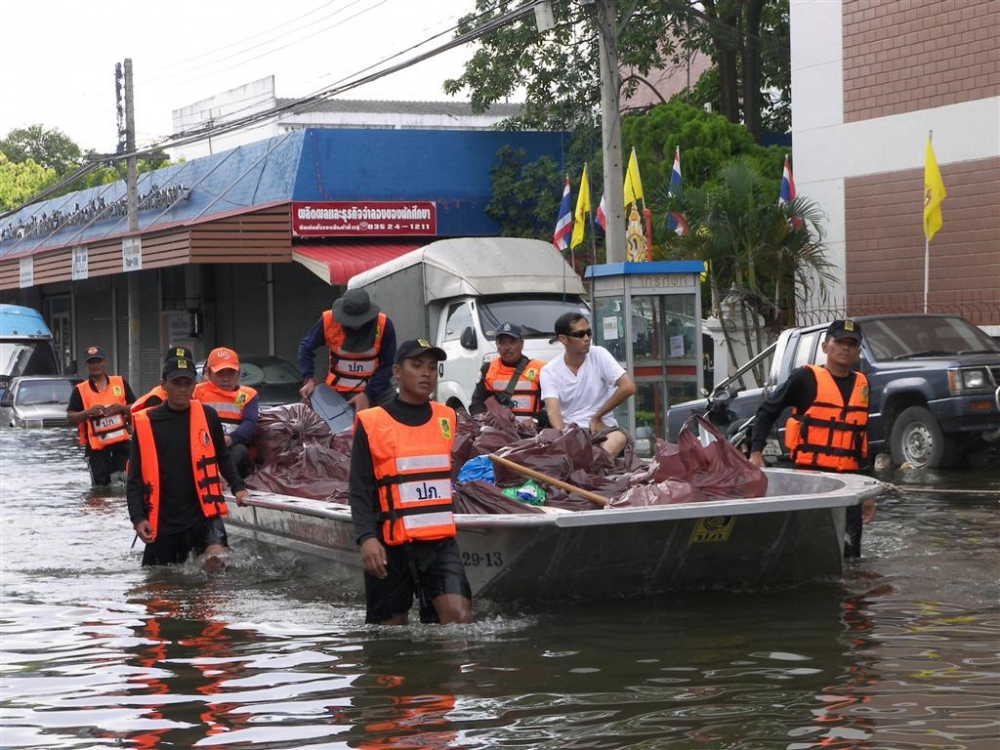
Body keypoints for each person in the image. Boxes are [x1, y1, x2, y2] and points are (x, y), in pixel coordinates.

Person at [348, 338, 473, 626]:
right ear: (397, 372)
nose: (426, 373)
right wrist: (366, 538)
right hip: (388, 542)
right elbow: (359, 488)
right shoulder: (371, 422)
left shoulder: (447, 417)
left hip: (439, 543)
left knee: (459, 619)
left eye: (432, 366)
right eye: (417, 366)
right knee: (390, 636)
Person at [748, 319, 876, 557]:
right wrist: (756, 452)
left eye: (852, 344)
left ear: (858, 351)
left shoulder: (863, 385)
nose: (845, 348)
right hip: (811, 483)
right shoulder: (804, 379)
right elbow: (767, 412)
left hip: (850, 486)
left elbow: (861, 443)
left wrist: (868, 493)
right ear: (825, 346)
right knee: (809, 550)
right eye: (839, 342)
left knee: (850, 556)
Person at [126, 346, 249, 568]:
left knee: (217, 562)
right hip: (164, 520)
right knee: (160, 586)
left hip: (203, 513)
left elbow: (222, 455)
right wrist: (137, 518)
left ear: (195, 385)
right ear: (163, 385)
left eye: (187, 383)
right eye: (176, 383)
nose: (183, 389)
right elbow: (134, 477)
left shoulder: (207, 415)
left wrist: (238, 486)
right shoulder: (146, 423)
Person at [540, 312, 636, 459]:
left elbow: (628, 387)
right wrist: (565, 438)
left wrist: (597, 416)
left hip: (602, 427)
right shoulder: (549, 370)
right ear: (563, 339)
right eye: (580, 334)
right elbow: (554, 414)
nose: (587, 338)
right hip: (572, 431)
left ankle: (592, 468)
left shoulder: (599, 355)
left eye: (589, 333)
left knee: (618, 439)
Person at [298, 288, 397, 411]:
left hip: (376, 388)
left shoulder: (383, 325)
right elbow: (305, 348)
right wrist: (309, 379)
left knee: (400, 413)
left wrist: (367, 393)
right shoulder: (329, 320)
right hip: (337, 392)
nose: (354, 325)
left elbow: (388, 364)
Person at [67, 345, 137, 486]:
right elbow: (70, 418)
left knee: (125, 485)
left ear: (105, 362)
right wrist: (87, 412)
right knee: (100, 489)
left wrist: (122, 408)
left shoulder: (120, 382)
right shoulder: (80, 390)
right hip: (96, 451)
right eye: (92, 362)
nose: (95, 365)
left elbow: (137, 408)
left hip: (122, 447)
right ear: (87, 365)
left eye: (98, 361)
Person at [193, 347, 259, 477]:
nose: (226, 379)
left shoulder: (247, 395)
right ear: (208, 372)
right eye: (221, 373)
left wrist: (230, 439)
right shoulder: (197, 392)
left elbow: (250, 423)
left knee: (241, 451)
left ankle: (219, 477)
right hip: (201, 447)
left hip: (231, 447)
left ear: (239, 373)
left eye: (231, 373)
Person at [469, 322, 547, 427]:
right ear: (497, 345)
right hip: (497, 433)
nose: (507, 347)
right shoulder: (488, 369)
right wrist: (486, 422)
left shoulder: (541, 369)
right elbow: (476, 404)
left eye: (512, 342)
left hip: (531, 434)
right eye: (501, 343)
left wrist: (536, 420)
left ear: (522, 344)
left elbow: (553, 405)